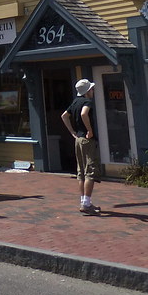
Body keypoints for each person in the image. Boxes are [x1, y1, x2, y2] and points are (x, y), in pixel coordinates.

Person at [61, 78, 101, 214]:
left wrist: (72, 132)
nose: (93, 91)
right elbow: (84, 113)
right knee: (90, 170)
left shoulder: (75, 102)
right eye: (91, 89)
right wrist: (89, 130)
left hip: (78, 139)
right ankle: (86, 204)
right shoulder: (87, 101)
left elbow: (64, 116)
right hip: (87, 139)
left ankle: (84, 201)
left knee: (81, 171)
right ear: (87, 91)